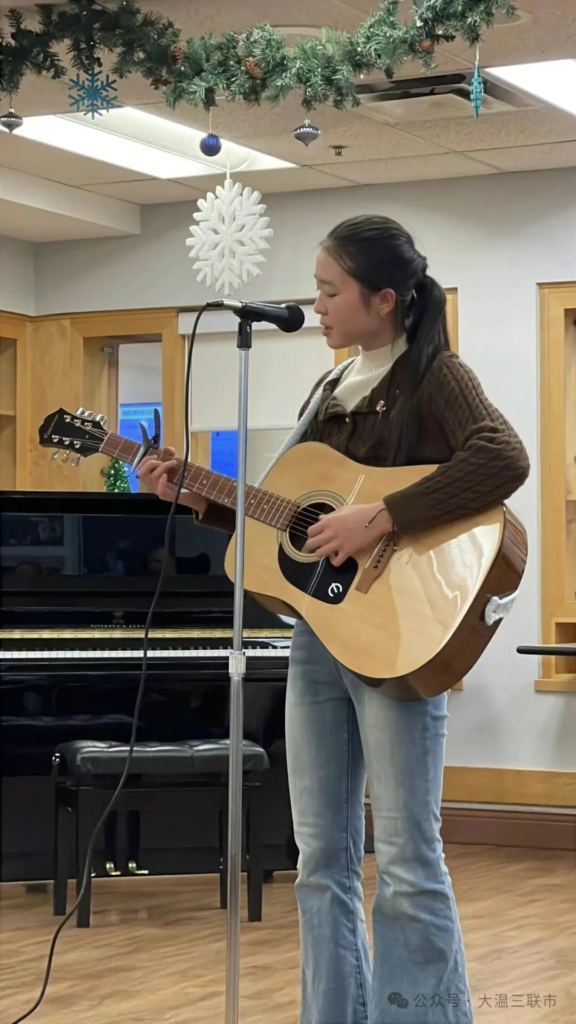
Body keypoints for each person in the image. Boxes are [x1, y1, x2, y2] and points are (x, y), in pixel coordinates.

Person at [138, 215, 530, 1024]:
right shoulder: (329, 389)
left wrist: (380, 517)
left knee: (409, 858)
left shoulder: (437, 377)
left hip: (399, 642)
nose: (315, 306)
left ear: (383, 299)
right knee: (319, 856)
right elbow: (295, 523)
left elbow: (503, 457)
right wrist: (194, 494)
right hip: (320, 634)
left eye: (328, 291)